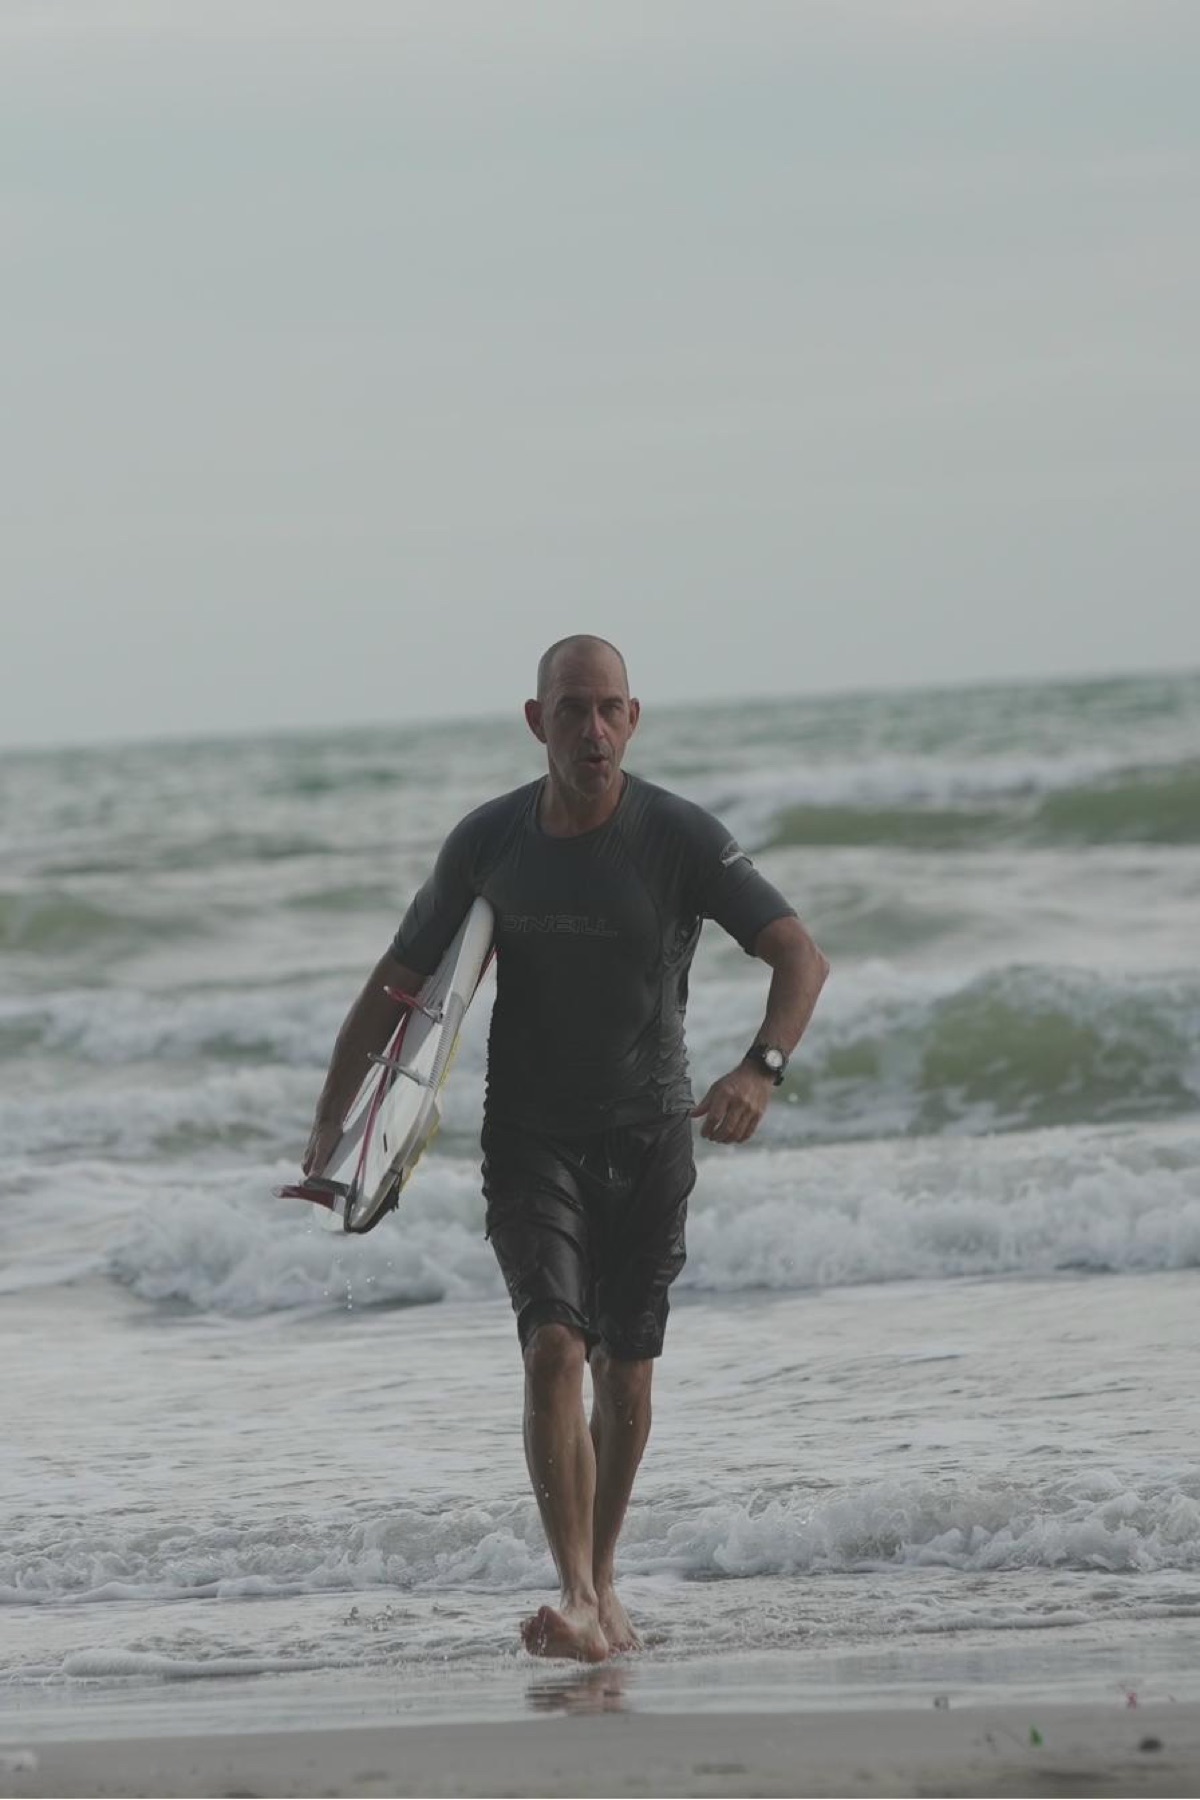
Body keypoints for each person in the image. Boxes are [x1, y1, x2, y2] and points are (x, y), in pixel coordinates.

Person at [302, 636, 829, 1662]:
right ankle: (578, 1594)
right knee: (554, 1345)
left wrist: (760, 1068)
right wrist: (336, 1129)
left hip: (650, 1135)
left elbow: (799, 954)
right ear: (537, 721)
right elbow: (398, 982)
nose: (593, 729)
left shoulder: (676, 835)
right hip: (530, 1136)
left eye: (610, 710)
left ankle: (607, 1578)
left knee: (626, 1375)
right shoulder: (490, 841)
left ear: (634, 719)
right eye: (573, 710)